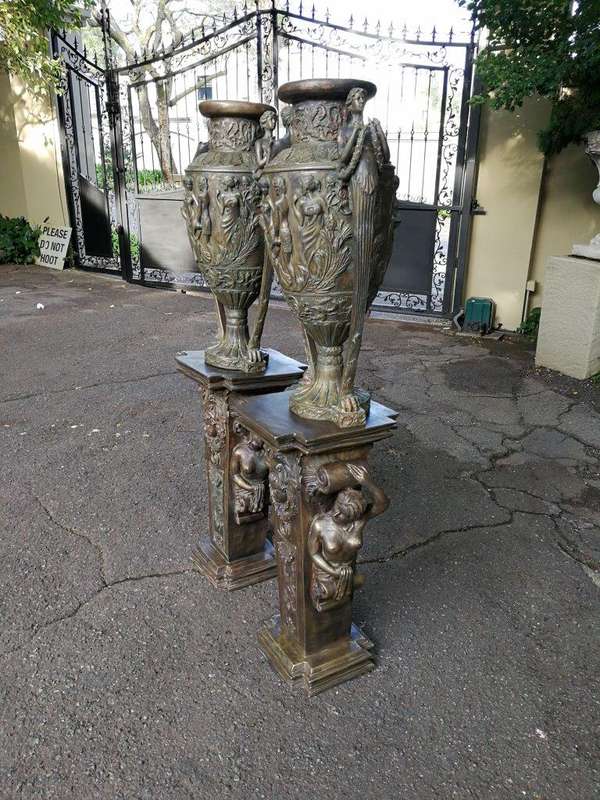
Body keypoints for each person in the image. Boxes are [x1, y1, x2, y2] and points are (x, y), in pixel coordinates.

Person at [308, 464, 389, 611]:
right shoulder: (321, 524)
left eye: (344, 515)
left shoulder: (359, 521)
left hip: (348, 571)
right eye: (337, 507)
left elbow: (383, 504)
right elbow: (313, 553)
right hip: (326, 572)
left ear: (354, 516)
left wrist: (368, 482)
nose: (336, 514)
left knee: (358, 583)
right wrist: (334, 571)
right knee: (326, 594)